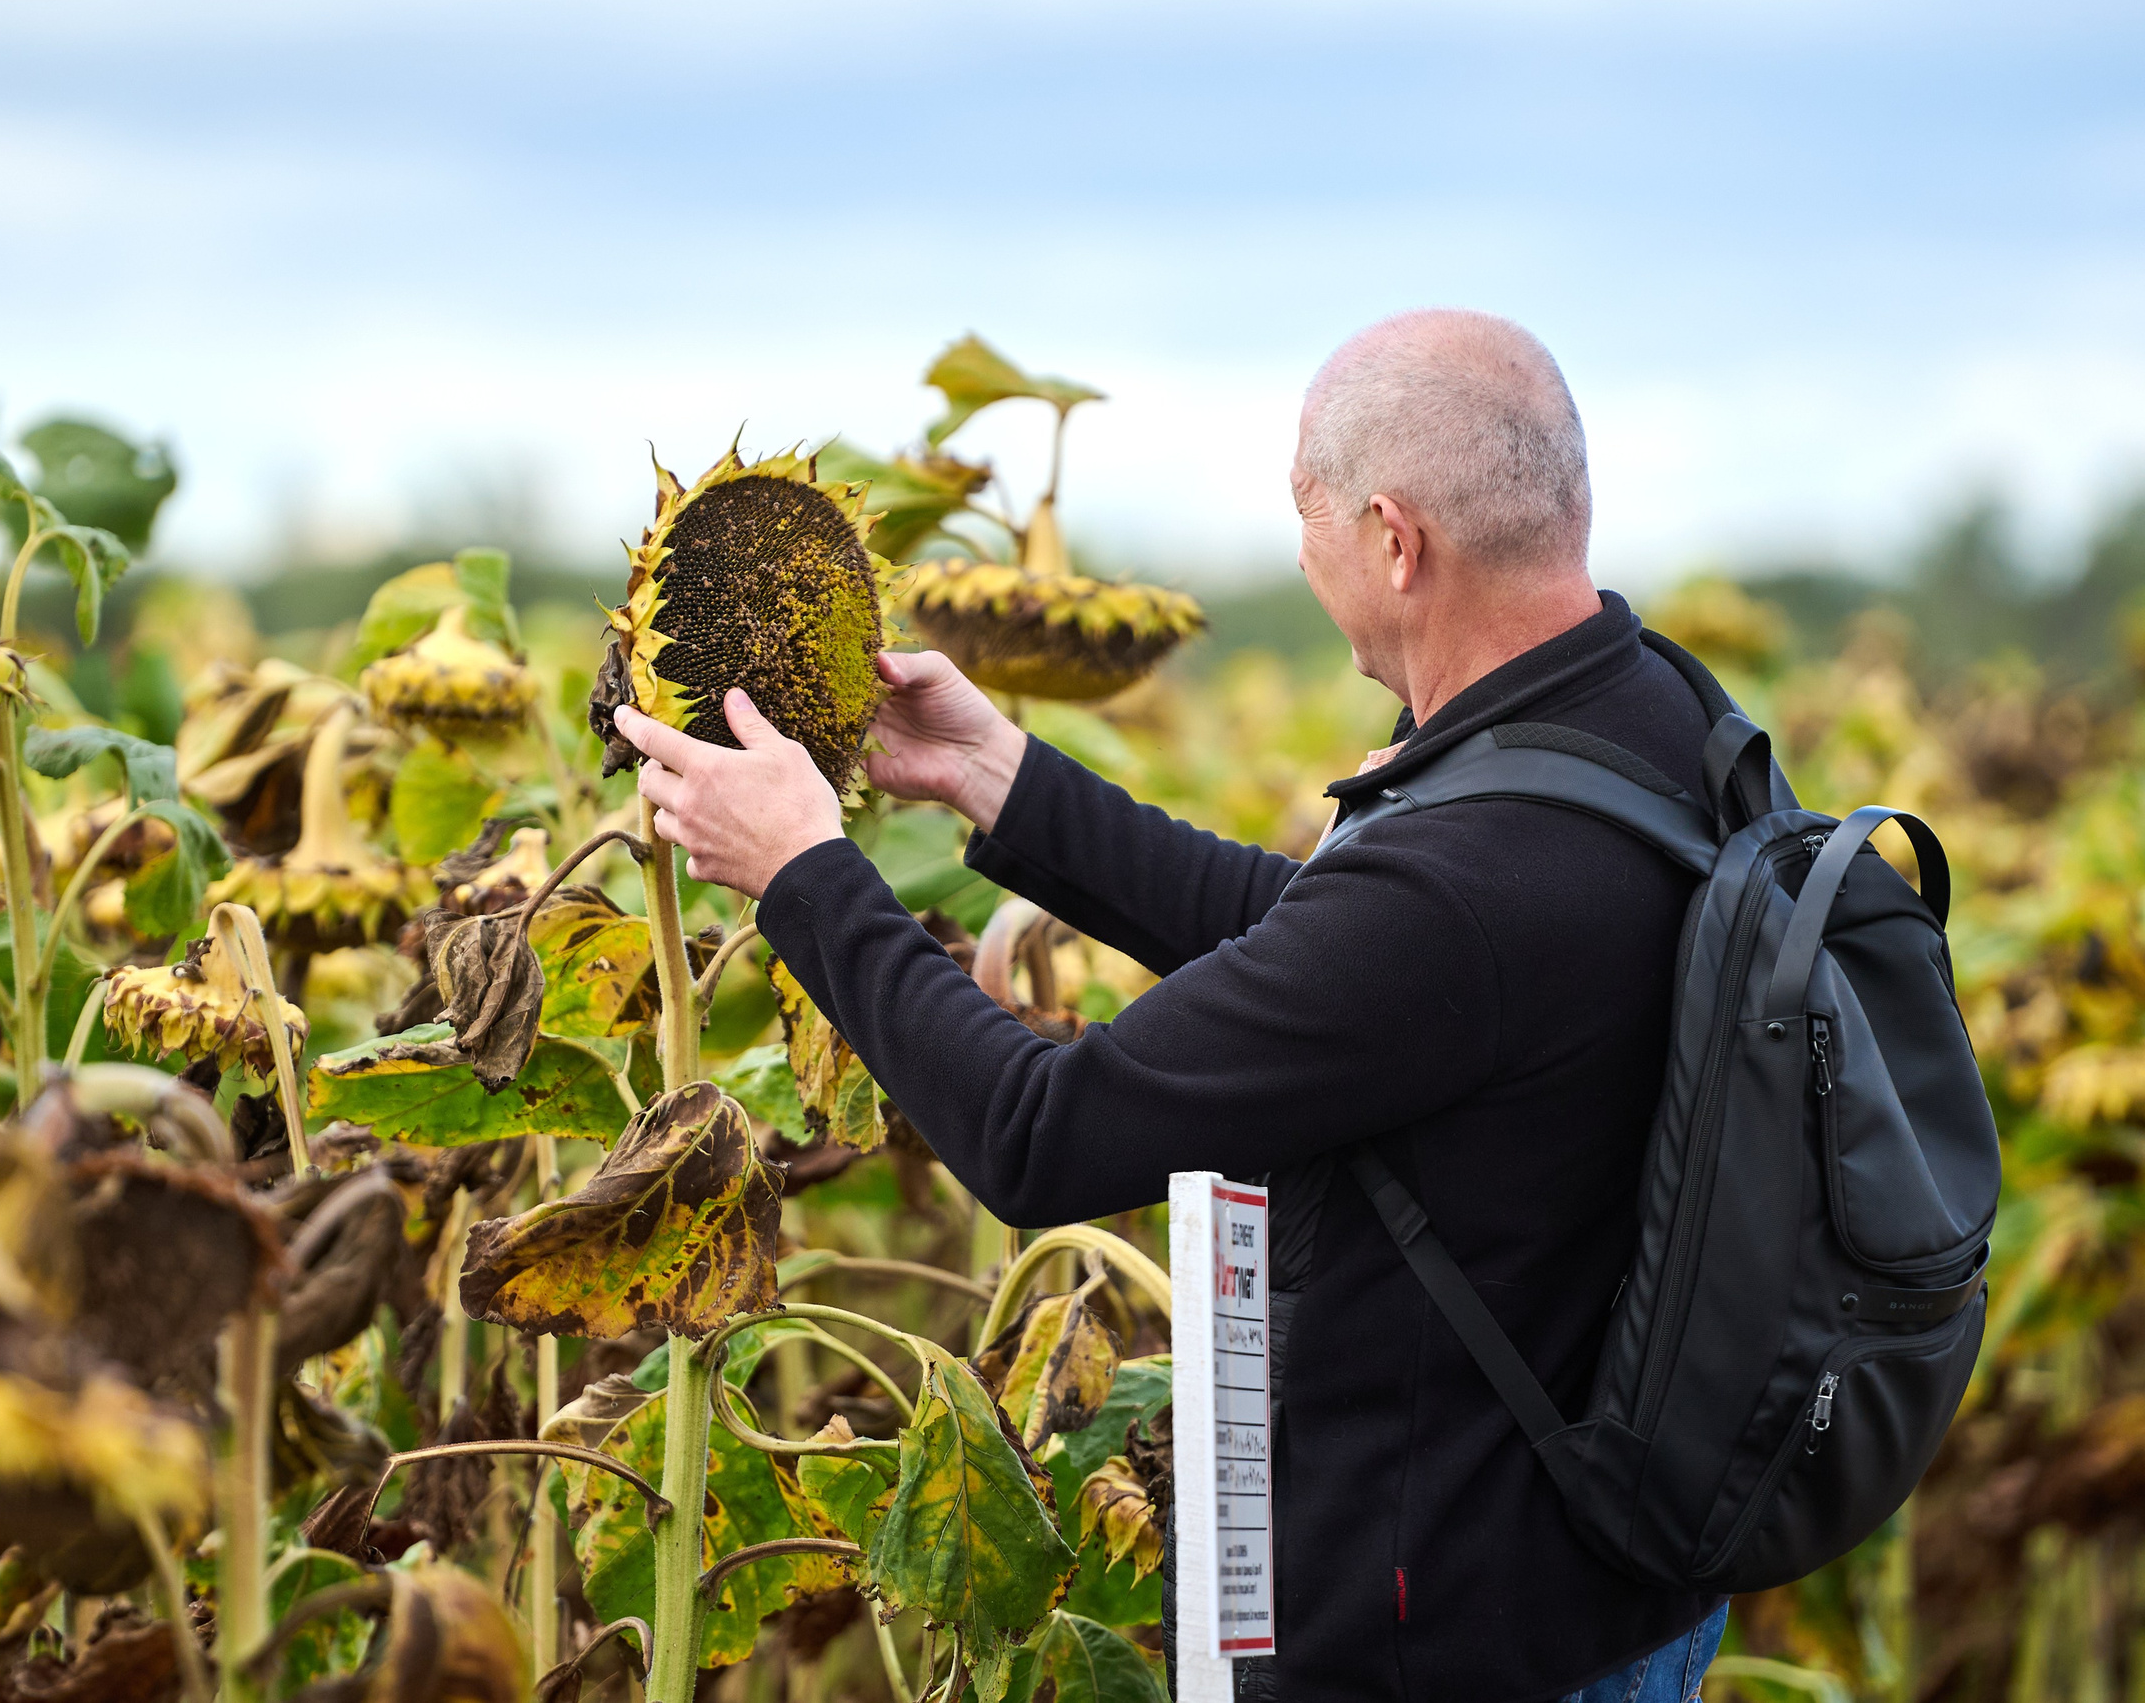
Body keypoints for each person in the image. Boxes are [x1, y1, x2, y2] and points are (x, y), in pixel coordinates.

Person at [615, 310, 1731, 1702]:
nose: (1305, 560)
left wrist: (804, 872)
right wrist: (1000, 779)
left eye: (1310, 518)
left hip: (1456, 1642)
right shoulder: (1656, 725)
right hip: (1616, 1588)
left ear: (1394, 540)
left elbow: (1041, 1134)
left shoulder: (1470, 877)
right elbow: (1338, 957)